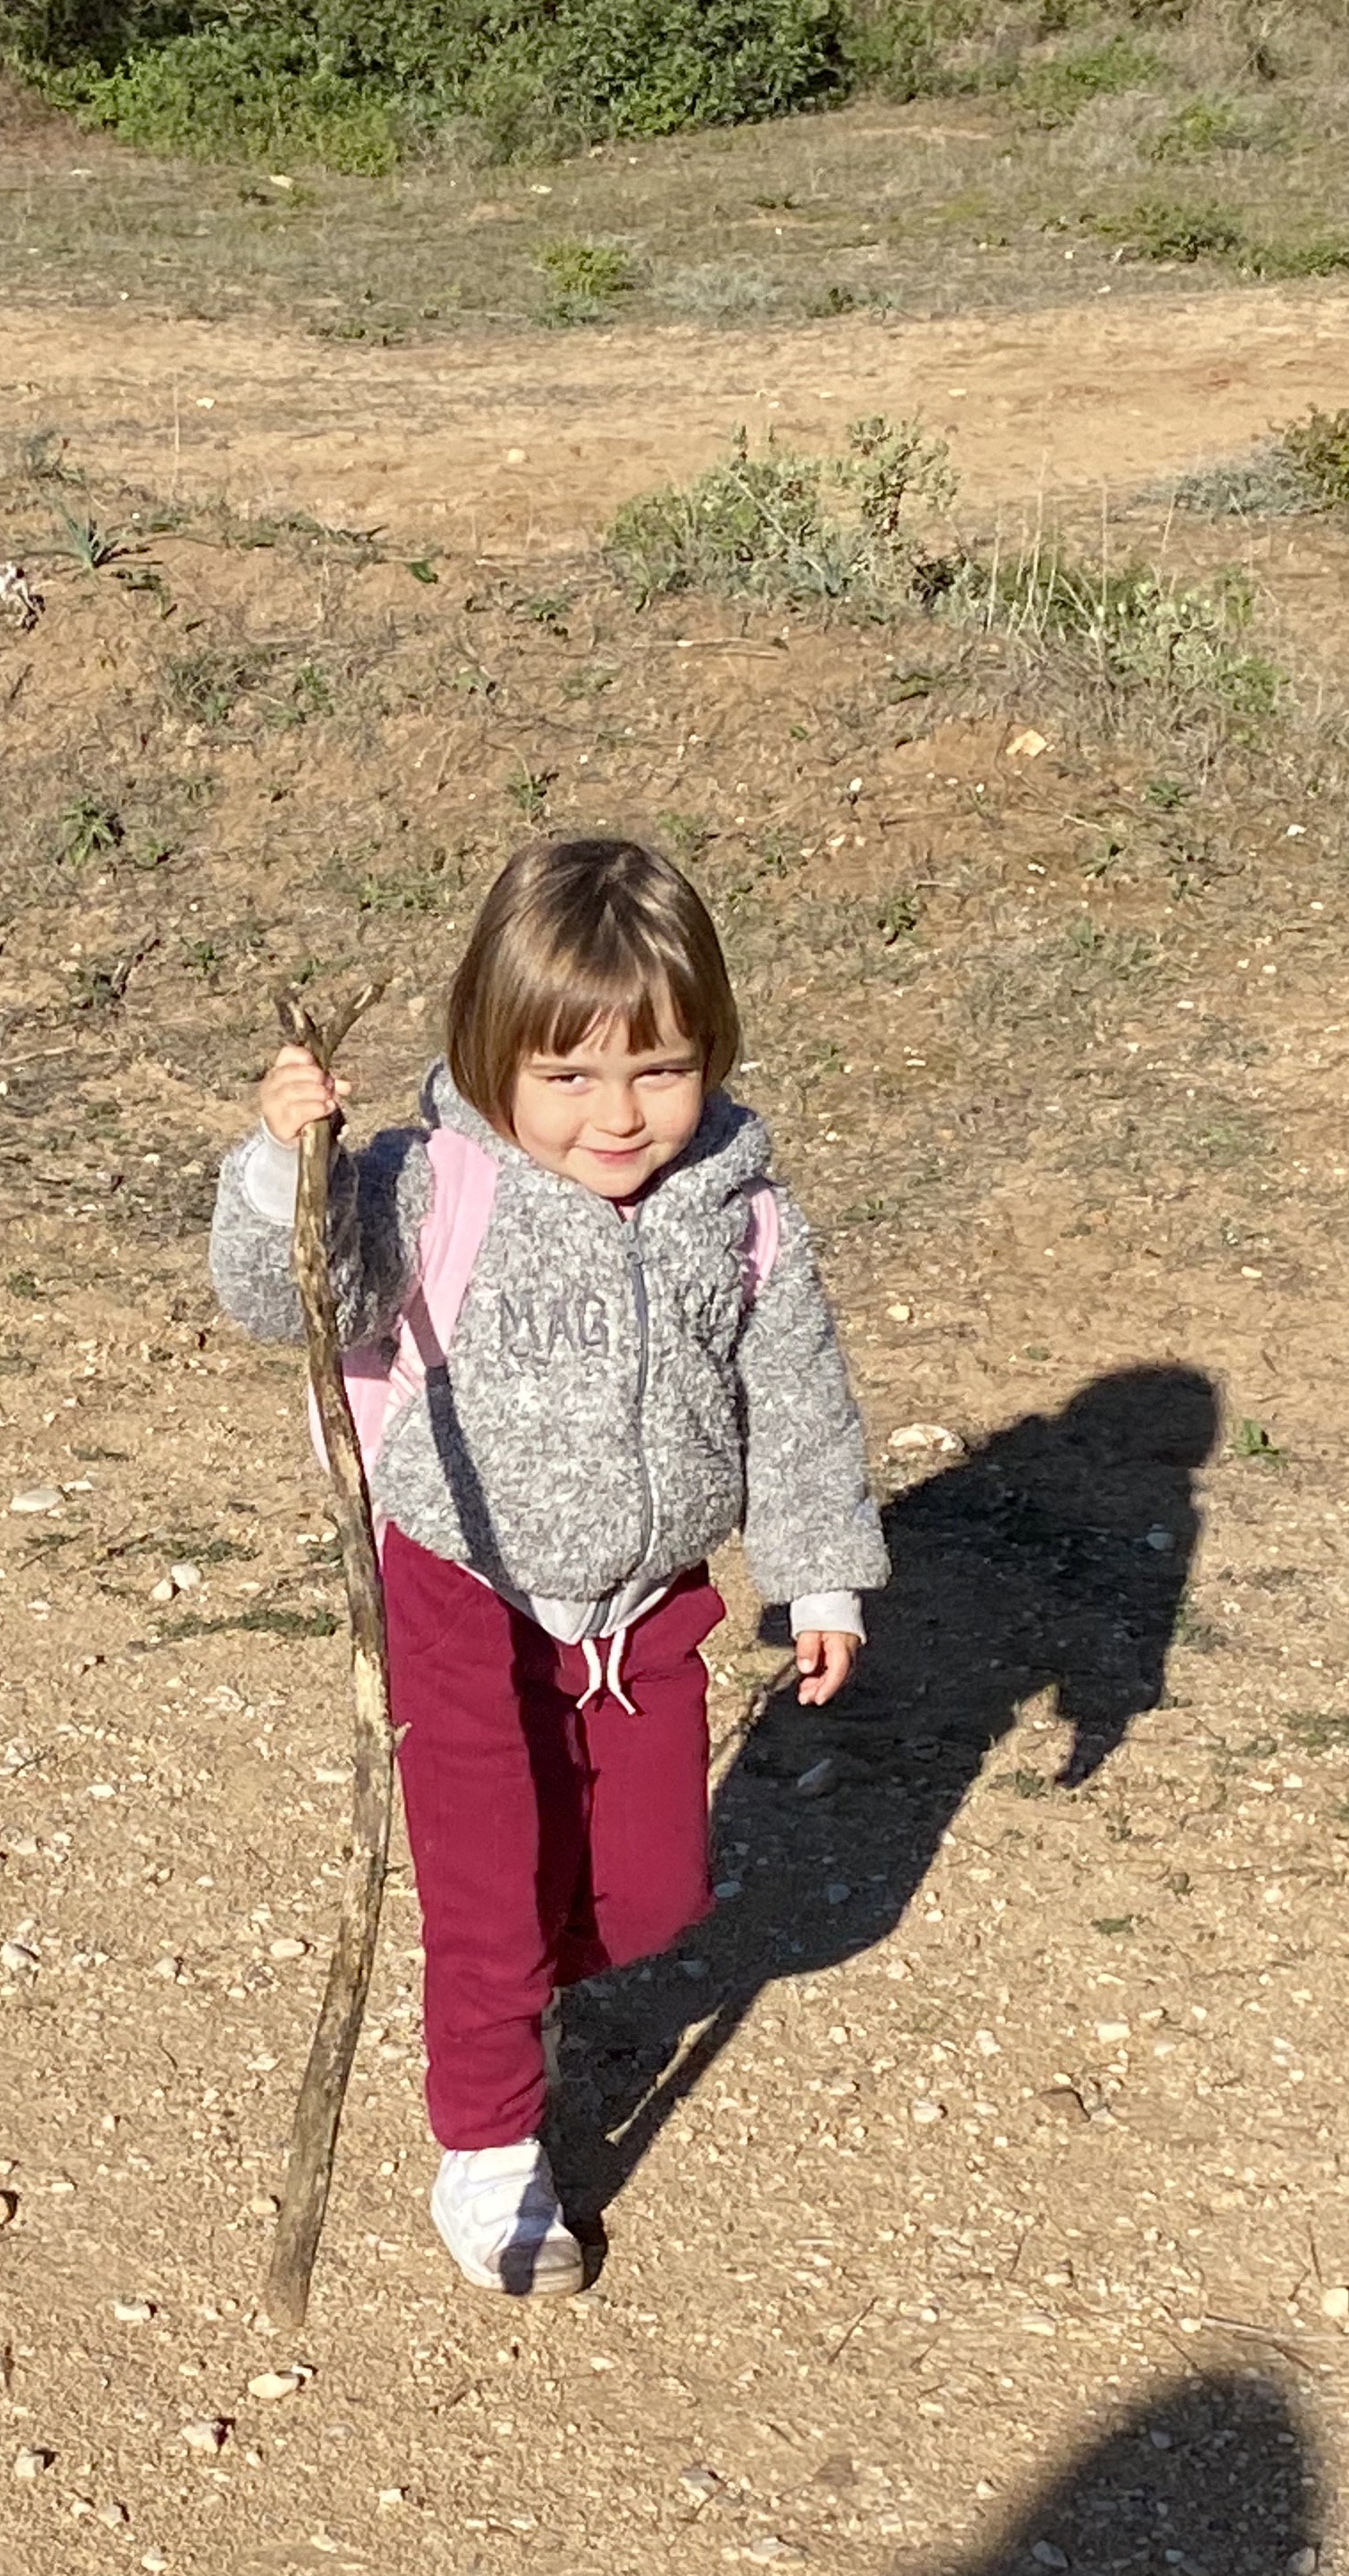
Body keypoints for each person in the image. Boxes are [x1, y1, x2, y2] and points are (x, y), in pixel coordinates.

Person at [211, 835, 884, 2295]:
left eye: (658, 1069)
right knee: (488, 1897)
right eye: (569, 1077)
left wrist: (818, 1571)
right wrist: (288, 1169)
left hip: (644, 1612)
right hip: (460, 1589)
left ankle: (519, 2004)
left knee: (644, 1896)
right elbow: (288, 1299)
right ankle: (492, 2149)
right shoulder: (429, 1188)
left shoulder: (741, 1213)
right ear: (493, 1053)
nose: (619, 1115)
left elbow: (800, 1396)